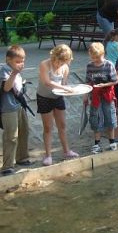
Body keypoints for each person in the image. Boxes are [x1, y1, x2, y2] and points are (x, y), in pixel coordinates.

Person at [37, 44, 79, 166]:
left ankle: (67, 151)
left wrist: (70, 90)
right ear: (55, 57)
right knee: (48, 127)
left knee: (62, 125)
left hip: (58, 97)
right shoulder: (44, 64)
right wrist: (64, 88)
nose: (61, 65)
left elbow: (64, 84)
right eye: (60, 62)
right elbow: (47, 82)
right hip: (44, 98)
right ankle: (48, 155)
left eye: (64, 62)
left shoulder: (65, 67)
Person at [0, 46, 31, 176]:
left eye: (22, 61)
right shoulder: (4, 70)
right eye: (17, 61)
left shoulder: (15, 70)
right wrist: (14, 73)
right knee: (11, 137)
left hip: (19, 106)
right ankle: (7, 166)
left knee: (24, 131)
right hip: (8, 109)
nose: (21, 64)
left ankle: (22, 158)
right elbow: (6, 88)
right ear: (8, 59)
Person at [84, 43, 118, 154]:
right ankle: (96, 144)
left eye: (97, 57)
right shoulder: (90, 66)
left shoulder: (108, 65)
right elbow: (88, 81)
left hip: (107, 95)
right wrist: (85, 95)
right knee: (96, 118)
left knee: (110, 116)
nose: (95, 60)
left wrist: (104, 85)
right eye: (93, 57)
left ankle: (112, 141)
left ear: (102, 54)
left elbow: (115, 80)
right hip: (95, 96)